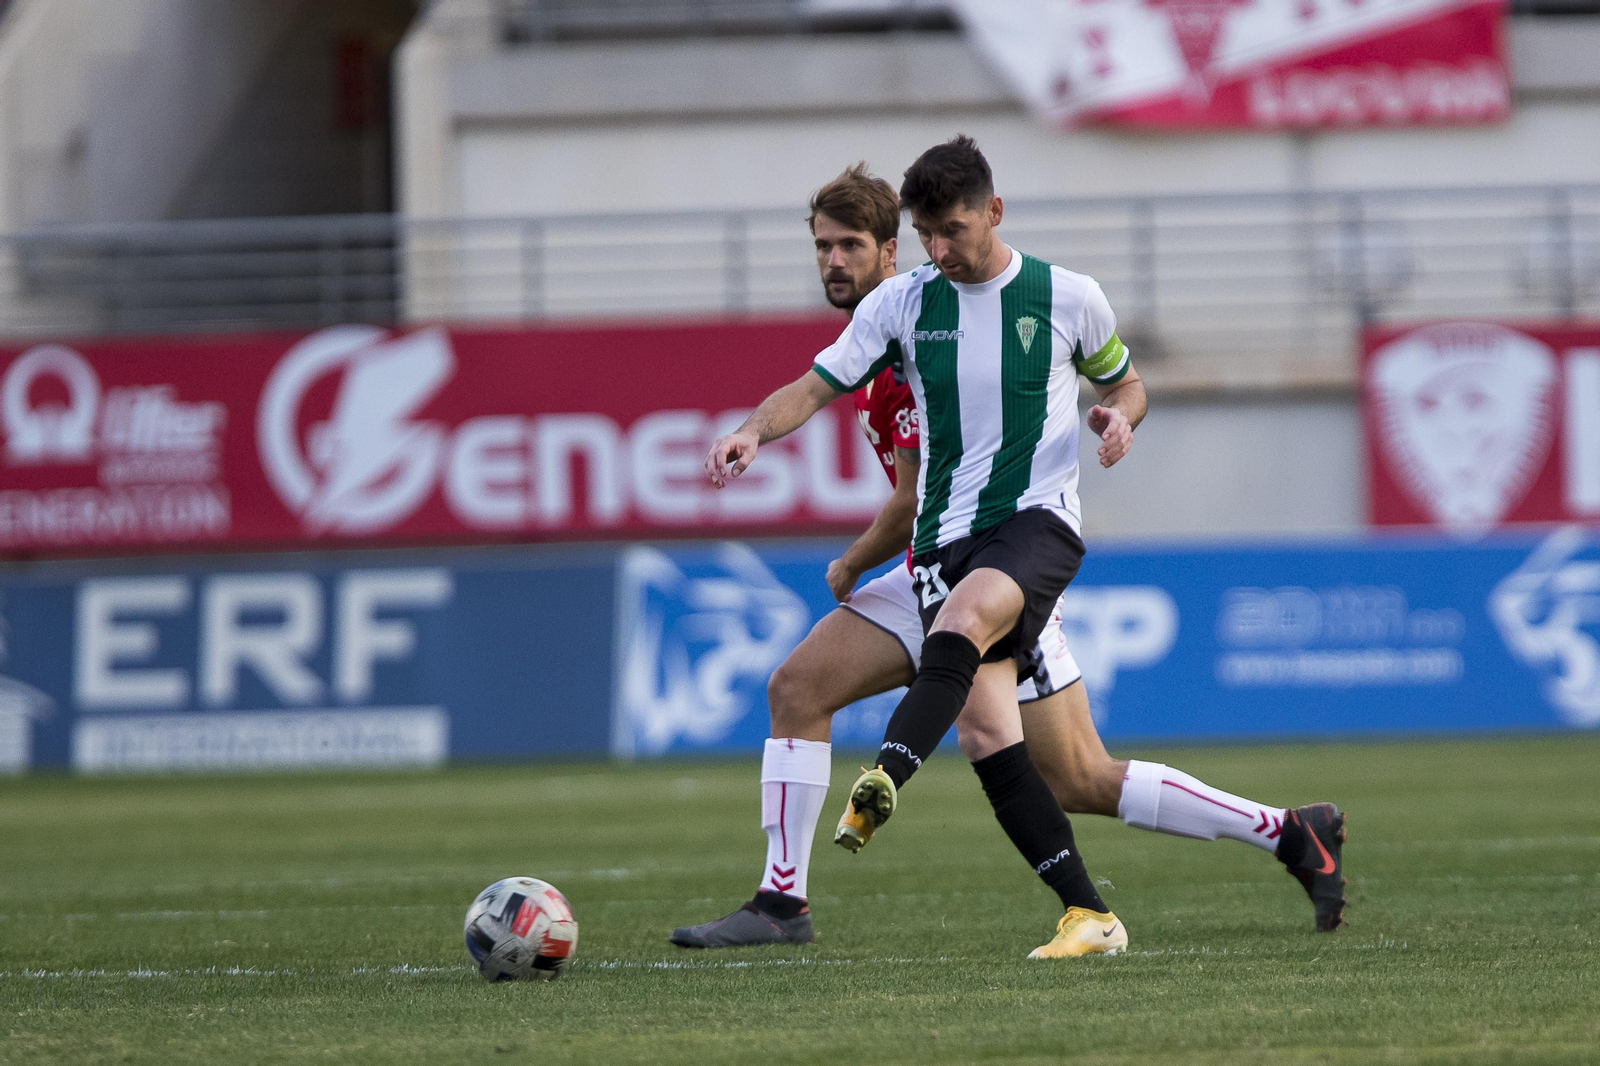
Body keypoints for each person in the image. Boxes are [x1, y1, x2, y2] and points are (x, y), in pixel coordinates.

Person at [673, 152, 1346, 957]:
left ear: (994, 211)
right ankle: (1282, 834)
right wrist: (752, 429)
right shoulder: (900, 312)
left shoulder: (1062, 298)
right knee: (1035, 761)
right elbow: (815, 393)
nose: (937, 250)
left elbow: (1112, 391)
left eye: (852, 244)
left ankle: (901, 801)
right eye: (924, 235)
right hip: (937, 565)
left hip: (1013, 558)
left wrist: (1120, 417)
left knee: (1045, 754)